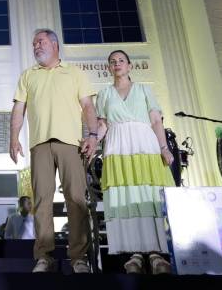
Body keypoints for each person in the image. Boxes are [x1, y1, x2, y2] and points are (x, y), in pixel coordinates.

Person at [10, 29, 99, 274]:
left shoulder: (74, 73)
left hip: (71, 143)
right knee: (41, 201)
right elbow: (19, 109)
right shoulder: (28, 75)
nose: (36, 46)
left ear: (54, 44)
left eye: (40, 41)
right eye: (33, 43)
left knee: (76, 199)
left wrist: (92, 135)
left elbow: (88, 106)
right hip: (39, 144)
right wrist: (13, 138)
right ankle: (44, 256)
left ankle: (79, 257)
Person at [96, 49, 175, 275]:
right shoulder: (104, 94)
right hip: (117, 148)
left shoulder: (143, 90)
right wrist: (92, 141)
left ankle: (156, 253)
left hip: (144, 145)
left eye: (121, 60)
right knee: (127, 196)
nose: (117, 63)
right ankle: (134, 253)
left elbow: (156, 121)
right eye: (112, 61)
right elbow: (102, 125)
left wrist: (164, 147)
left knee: (148, 194)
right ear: (109, 68)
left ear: (129, 66)